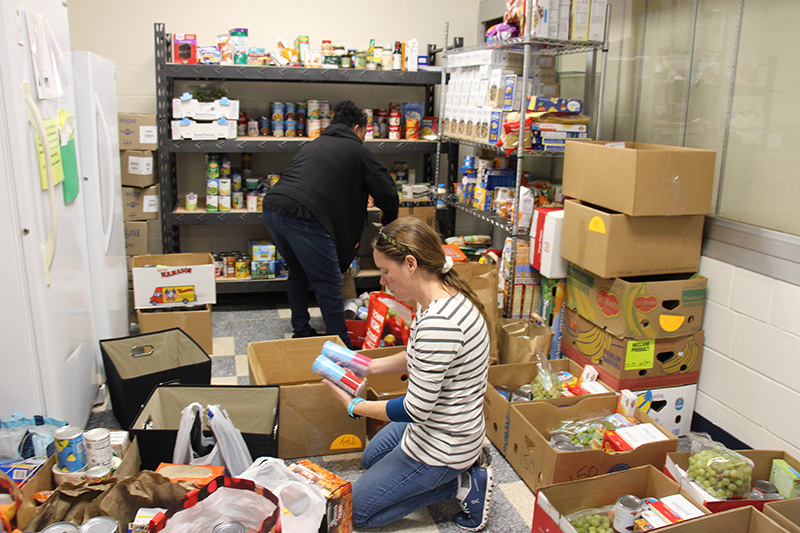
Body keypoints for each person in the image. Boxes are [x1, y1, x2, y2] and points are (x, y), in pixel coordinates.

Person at [322, 217, 494, 531]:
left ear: (411, 263)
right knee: (371, 458)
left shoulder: (439, 324)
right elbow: (419, 356)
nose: (383, 282)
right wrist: (368, 364)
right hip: (445, 422)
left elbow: (414, 409)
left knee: (355, 513)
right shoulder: (441, 296)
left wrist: (353, 406)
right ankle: (457, 468)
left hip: (443, 443)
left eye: (386, 271)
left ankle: (460, 485)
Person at [262, 100, 398, 349]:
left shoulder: (315, 144)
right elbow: (388, 193)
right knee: (329, 281)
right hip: (304, 214)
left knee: (298, 273)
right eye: (365, 133)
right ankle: (341, 345)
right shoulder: (357, 150)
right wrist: (390, 227)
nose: (364, 138)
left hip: (273, 207)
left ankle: (301, 330)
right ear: (357, 128)